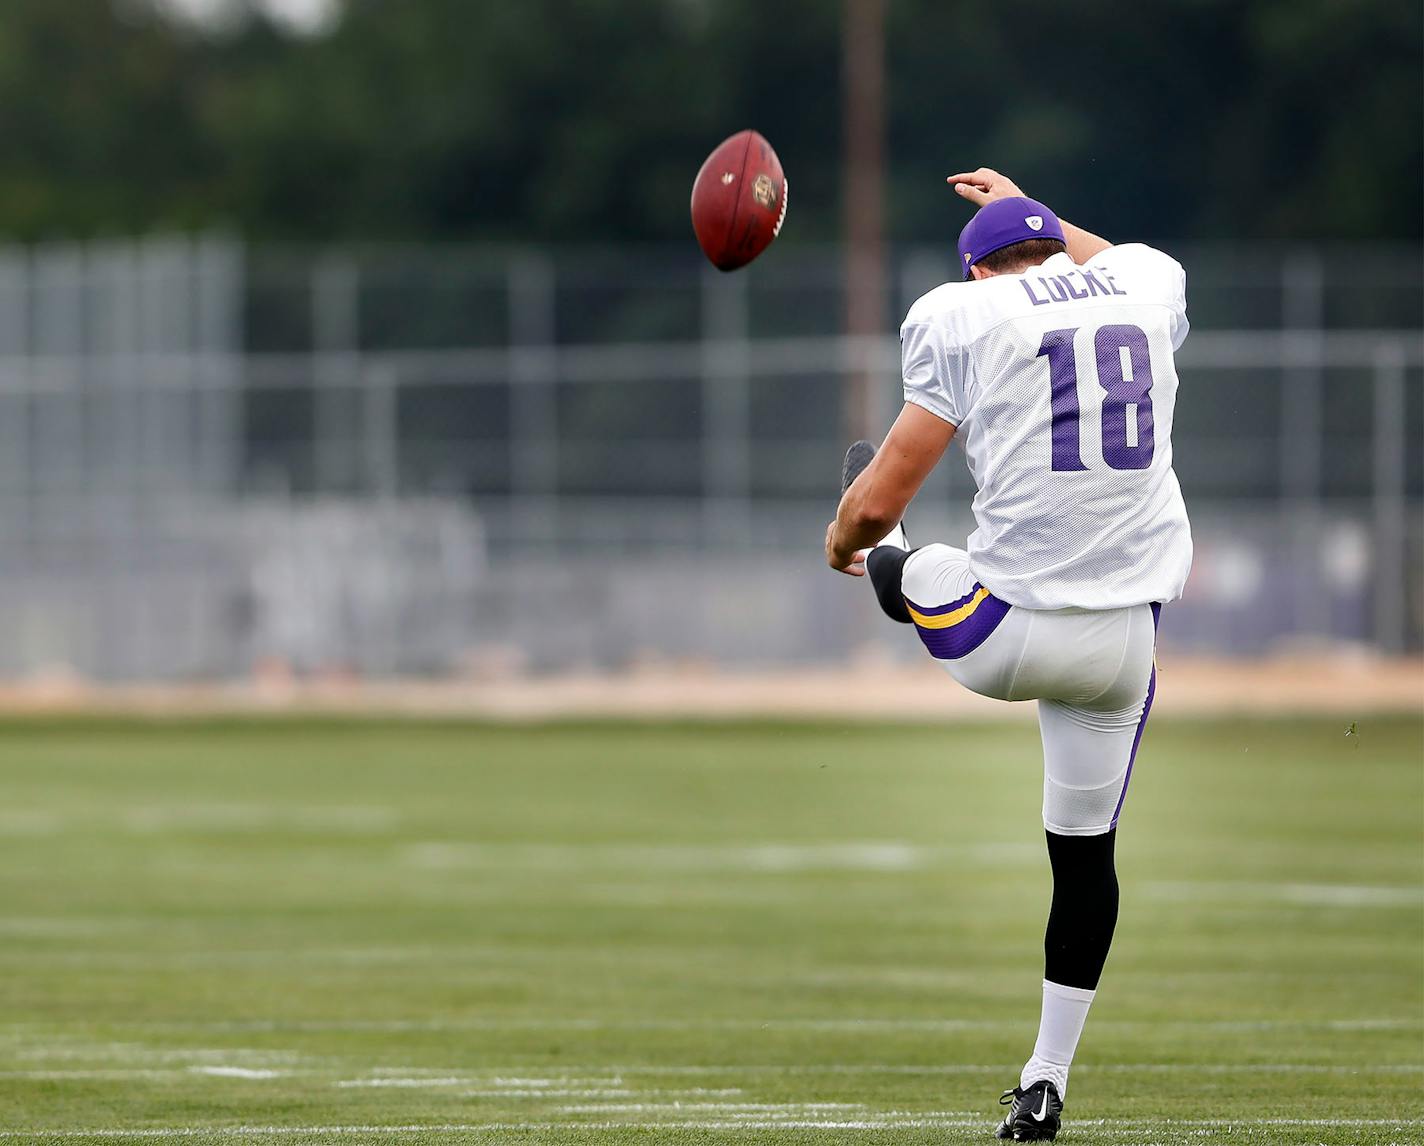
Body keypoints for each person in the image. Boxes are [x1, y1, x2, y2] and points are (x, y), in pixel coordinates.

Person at [824, 167, 1192, 1142]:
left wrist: (847, 537)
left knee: (909, 551)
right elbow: (1103, 262)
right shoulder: (1149, 283)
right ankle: (1044, 1081)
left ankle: (890, 575)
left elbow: (881, 493)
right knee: (1081, 865)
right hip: (1122, 652)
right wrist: (1032, 208)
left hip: (1001, 637)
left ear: (980, 269)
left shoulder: (963, 313)